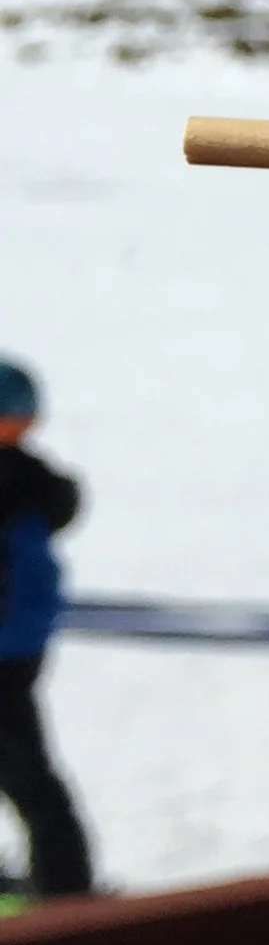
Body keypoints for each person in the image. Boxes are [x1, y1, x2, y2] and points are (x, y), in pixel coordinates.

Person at [0, 359, 95, 902]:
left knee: (27, 774)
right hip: (20, 646)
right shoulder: (28, 478)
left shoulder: (13, 484)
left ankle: (66, 893)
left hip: (7, 649)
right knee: (25, 770)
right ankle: (64, 884)